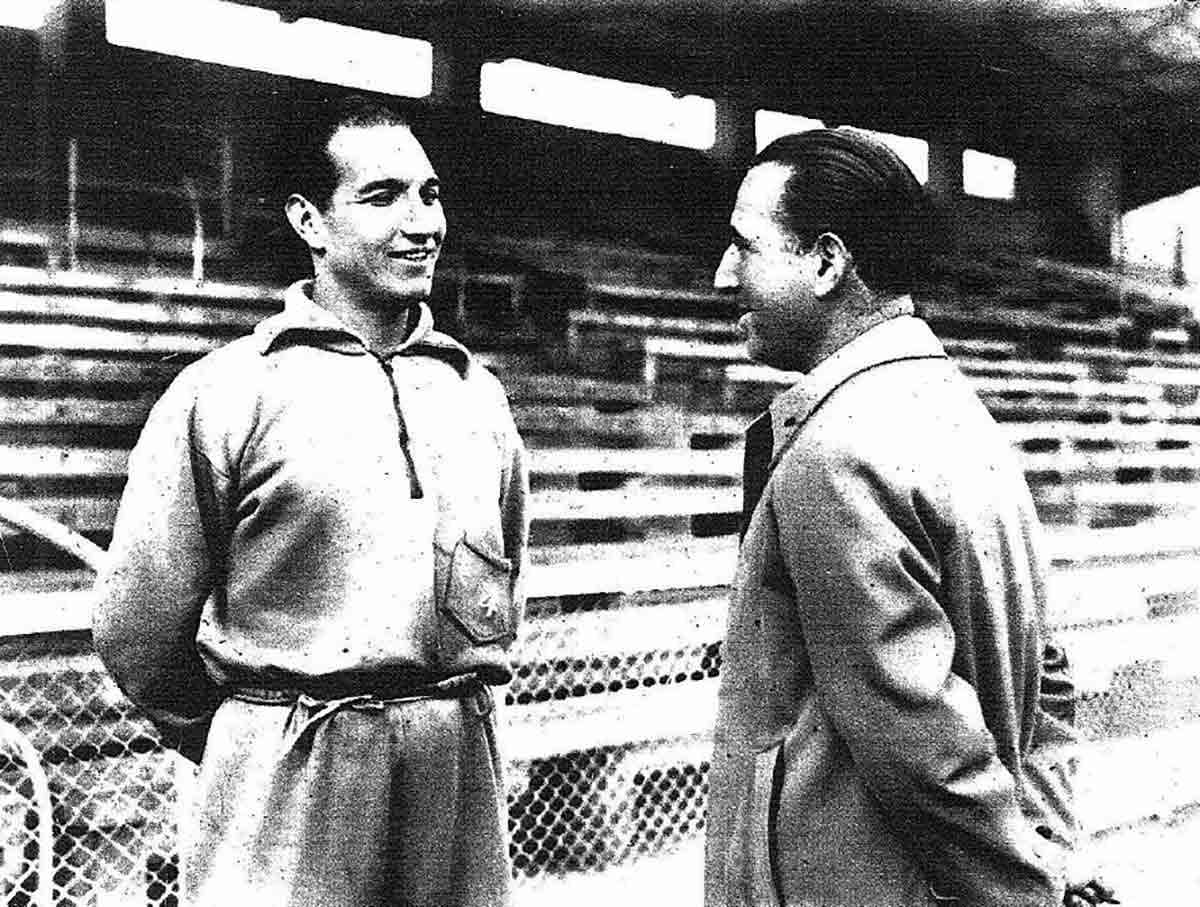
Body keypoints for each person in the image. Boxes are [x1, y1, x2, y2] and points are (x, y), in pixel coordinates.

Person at [93, 95, 529, 907]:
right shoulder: (229, 392)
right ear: (309, 221)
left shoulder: (477, 395)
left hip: (452, 768)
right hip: (289, 767)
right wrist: (253, 734)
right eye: (383, 196)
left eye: (430, 194)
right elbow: (138, 632)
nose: (422, 223)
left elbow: (501, 590)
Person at [703, 128, 1114, 907]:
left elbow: (919, 737)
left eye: (745, 246)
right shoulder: (960, 411)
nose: (724, 274)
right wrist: (1047, 850)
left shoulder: (836, 448)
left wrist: (1030, 889)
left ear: (827, 263)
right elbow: (1046, 681)